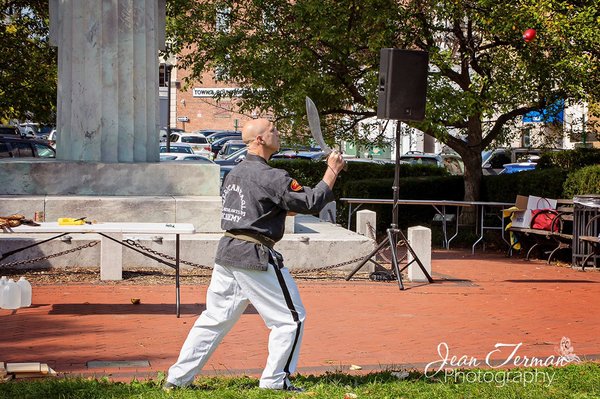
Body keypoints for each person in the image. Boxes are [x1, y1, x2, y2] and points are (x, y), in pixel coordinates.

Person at [165, 118, 346, 391]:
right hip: (254, 254)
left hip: (228, 252)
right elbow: (310, 202)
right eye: (273, 130)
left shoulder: (234, 173)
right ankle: (275, 382)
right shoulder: (272, 176)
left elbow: (267, 206)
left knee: (214, 320)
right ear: (259, 139)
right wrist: (332, 171)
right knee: (291, 319)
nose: (279, 132)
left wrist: (286, 205)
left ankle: (177, 379)